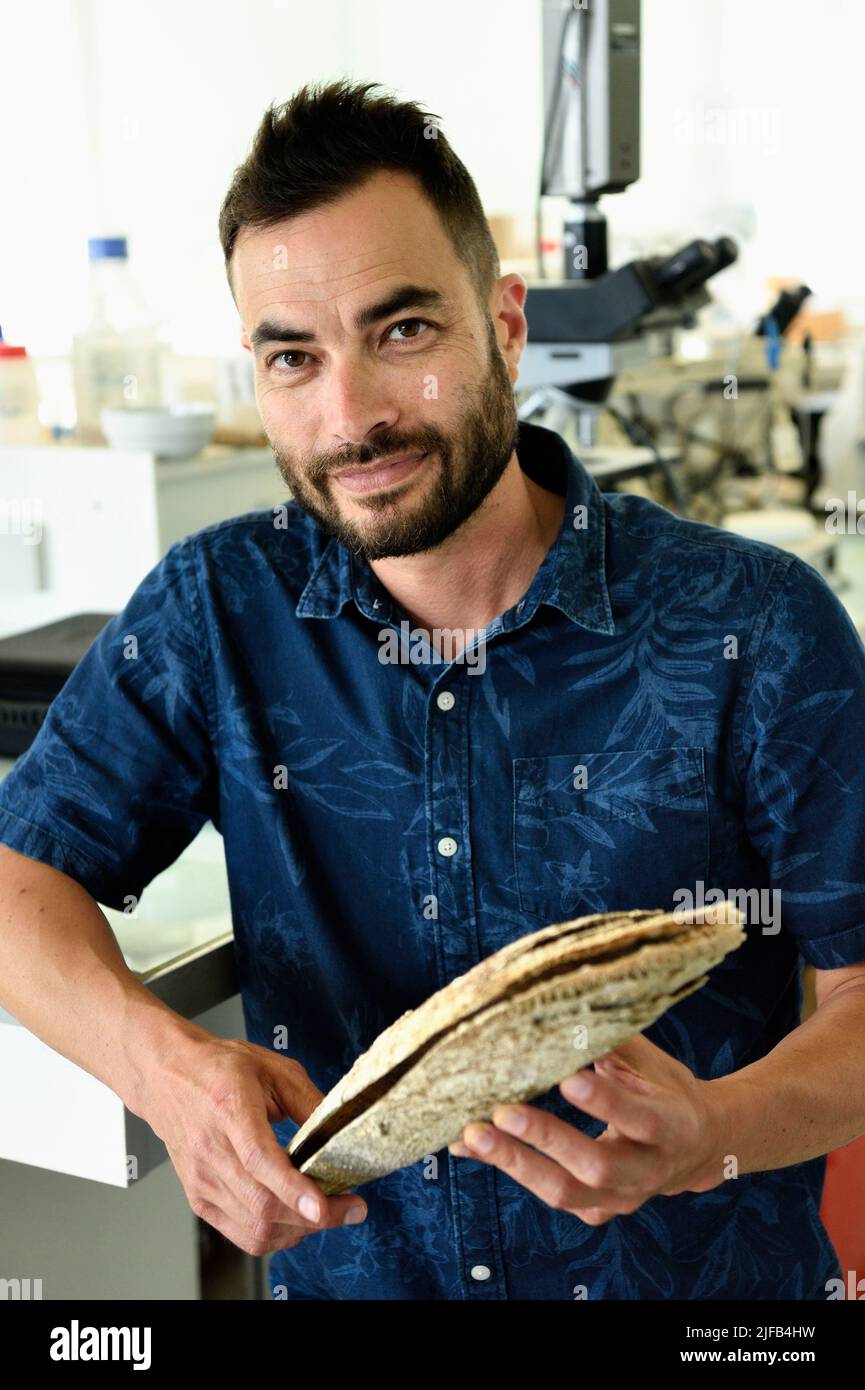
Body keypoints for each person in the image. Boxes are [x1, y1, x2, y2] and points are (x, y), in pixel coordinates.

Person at [2, 78, 865, 1302]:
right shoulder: (215, 611)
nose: (349, 416)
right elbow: (14, 880)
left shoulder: (757, 625)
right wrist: (166, 1071)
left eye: (403, 330)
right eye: (292, 356)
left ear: (506, 325)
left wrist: (710, 1127)